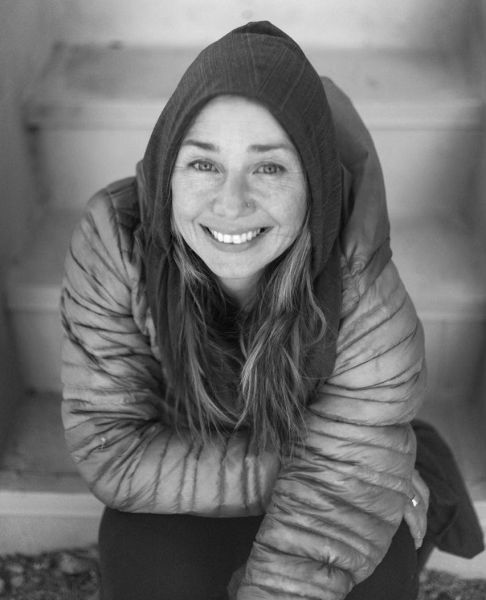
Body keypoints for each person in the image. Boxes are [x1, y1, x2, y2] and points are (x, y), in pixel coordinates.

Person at [60, 21, 431, 600]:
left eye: (269, 167)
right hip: (192, 454)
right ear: (167, 170)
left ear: (314, 182)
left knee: (378, 577)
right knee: (147, 576)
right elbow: (114, 451)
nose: (231, 204)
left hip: (345, 438)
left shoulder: (361, 281)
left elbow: (343, 484)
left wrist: (358, 474)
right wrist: (341, 472)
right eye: (204, 164)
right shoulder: (117, 238)